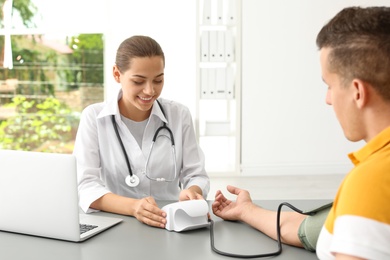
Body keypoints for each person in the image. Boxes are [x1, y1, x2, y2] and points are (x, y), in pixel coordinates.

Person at [213, 6, 390, 259]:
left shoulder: (371, 183)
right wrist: (245, 211)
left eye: (329, 86)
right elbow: (309, 230)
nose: (328, 100)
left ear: (357, 92)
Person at [73, 35, 210, 229]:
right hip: (114, 224)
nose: (149, 91)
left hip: (167, 222)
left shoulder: (178, 115)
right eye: (138, 81)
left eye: (158, 80)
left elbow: (196, 174)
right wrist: (133, 207)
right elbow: (85, 186)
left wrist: (192, 191)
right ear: (116, 74)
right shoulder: (94, 118)